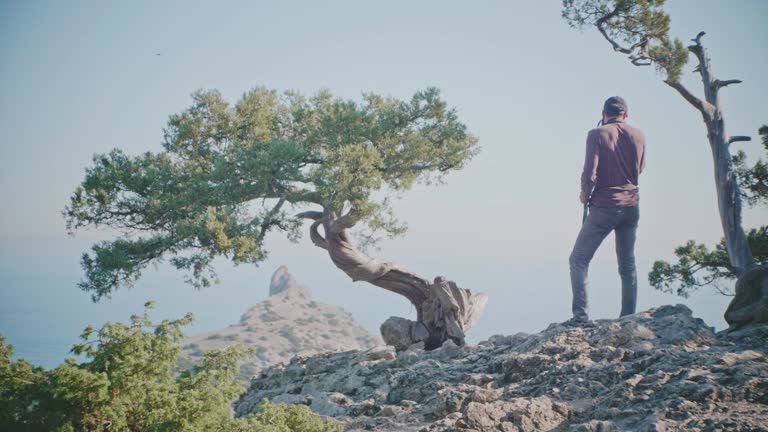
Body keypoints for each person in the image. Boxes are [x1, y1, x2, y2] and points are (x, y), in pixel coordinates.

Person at [568, 96, 646, 324]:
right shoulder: (639, 135)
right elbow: (640, 168)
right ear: (625, 115)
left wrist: (584, 196)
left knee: (579, 259)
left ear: (603, 114)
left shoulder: (597, 134)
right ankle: (628, 317)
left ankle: (580, 316)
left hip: (604, 206)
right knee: (627, 263)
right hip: (631, 205)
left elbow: (590, 173)